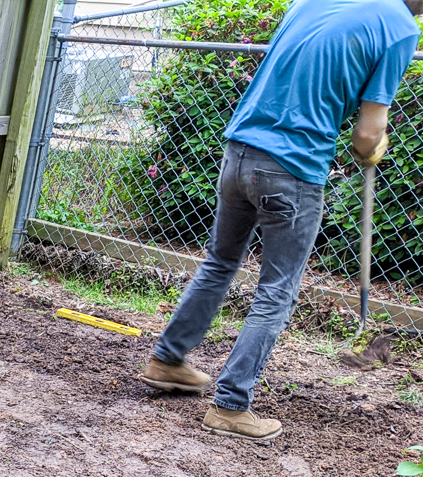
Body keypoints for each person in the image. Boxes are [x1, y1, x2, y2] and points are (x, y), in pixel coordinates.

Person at [137, 0, 423, 441]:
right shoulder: (400, 26)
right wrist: (372, 147)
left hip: (239, 153)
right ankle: (231, 406)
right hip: (291, 169)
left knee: (219, 262)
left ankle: (168, 359)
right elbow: (367, 134)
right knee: (278, 289)